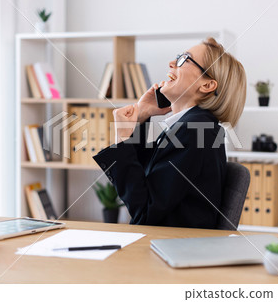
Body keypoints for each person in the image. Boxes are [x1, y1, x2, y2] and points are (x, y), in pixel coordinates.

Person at [93, 37, 246, 228]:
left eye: (184, 59)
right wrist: (141, 116)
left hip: (173, 246)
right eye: (177, 57)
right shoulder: (192, 126)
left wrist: (123, 138)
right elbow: (141, 179)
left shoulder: (194, 130)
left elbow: (144, 212)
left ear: (206, 85)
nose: (172, 63)